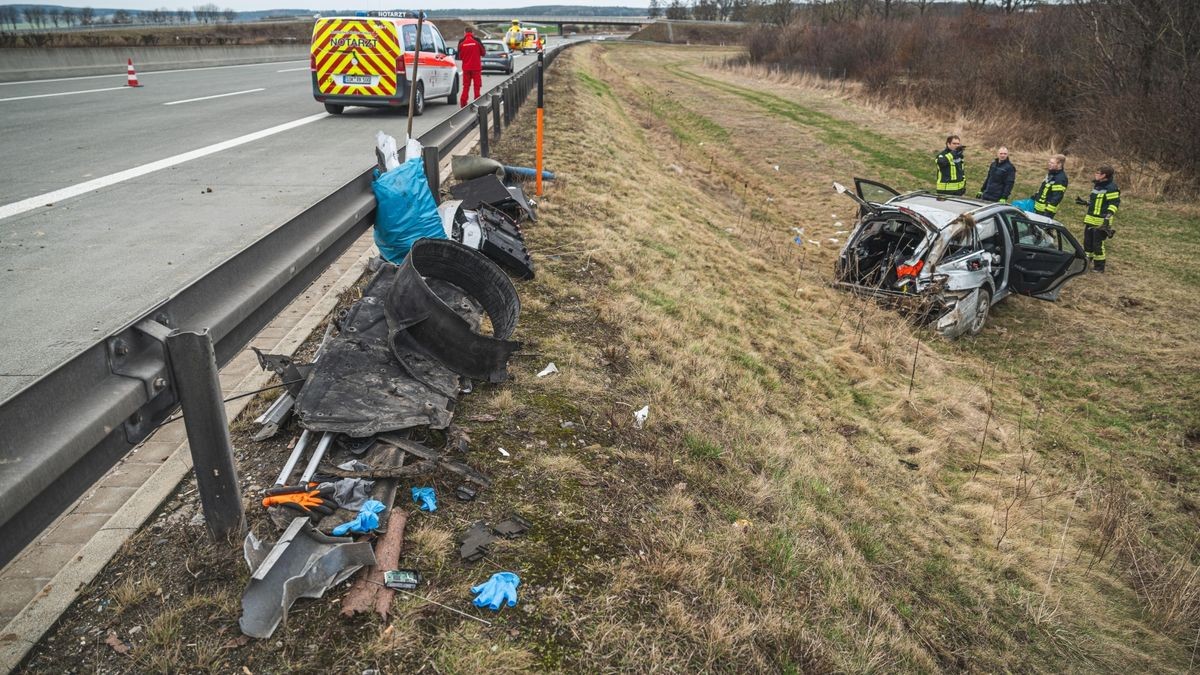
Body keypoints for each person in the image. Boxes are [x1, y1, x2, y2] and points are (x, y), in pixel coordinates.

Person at [1080, 165, 1121, 272]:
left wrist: (1108, 217)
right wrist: (1087, 203)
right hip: (1090, 219)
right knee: (1087, 243)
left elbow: (1114, 203)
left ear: (1104, 176)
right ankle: (1086, 263)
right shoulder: (1097, 185)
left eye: (1098, 173)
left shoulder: (1111, 188)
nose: (1095, 174)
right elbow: (1098, 202)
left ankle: (1099, 267)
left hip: (1101, 222)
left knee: (1097, 245)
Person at [456, 28, 485, 108]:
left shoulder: (461, 42)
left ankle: (463, 103)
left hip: (466, 68)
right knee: (477, 86)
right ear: (472, 33)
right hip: (476, 68)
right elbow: (483, 53)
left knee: (466, 86)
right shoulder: (477, 40)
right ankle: (477, 102)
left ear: (464, 33)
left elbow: (459, 56)